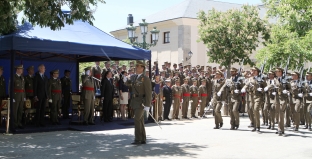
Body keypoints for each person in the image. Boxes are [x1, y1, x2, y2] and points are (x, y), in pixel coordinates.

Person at [125, 60, 152, 145]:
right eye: (136, 66)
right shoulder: (134, 77)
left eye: (138, 66)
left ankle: (138, 139)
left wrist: (148, 105)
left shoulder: (145, 79)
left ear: (142, 68)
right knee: (140, 120)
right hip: (135, 101)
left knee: (137, 119)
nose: (136, 68)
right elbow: (129, 84)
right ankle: (143, 138)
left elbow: (148, 92)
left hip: (141, 102)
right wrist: (125, 80)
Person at [241, 67, 267, 132]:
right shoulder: (250, 79)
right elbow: (247, 84)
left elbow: (266, 87)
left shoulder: (261, 78)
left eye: (253, 70)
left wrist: (262, 90)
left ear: (257, 71)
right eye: (251, 70)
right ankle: (255, 126)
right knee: (252, 110)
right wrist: (244, 88)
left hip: (258, 96)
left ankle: (258, 126)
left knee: (256, 109)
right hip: (251, 96)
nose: (252, 71)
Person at [11, 65, 25, 129]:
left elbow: (23, 88)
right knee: (15, 111)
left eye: (22, 69)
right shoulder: (13, 77)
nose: (21, 70)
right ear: (17, 70)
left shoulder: (22, 77)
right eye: (20, 69)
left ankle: (19, 123)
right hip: (16, 96)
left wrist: (24, 96)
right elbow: (10, 88)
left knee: (20, 110)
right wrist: (12, 97)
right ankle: (14, 123)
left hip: (21, 96)